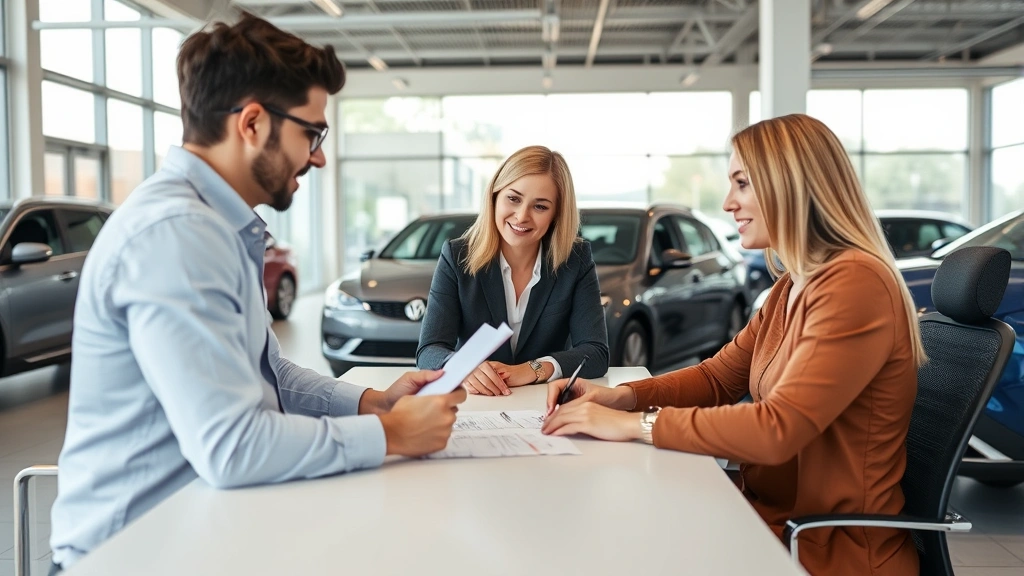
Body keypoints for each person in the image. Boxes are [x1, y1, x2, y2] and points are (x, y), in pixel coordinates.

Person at [48, 14, 465, 574]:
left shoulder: (219, 226)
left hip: (199, 532)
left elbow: (271, 374)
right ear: (251, 122)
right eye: (311, 134)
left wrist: (373, 403)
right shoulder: (178, 235)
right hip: (135, 552)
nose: (317, 156)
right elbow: (233, 448)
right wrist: (389, 434)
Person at [541, 114, 923, 576]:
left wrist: (634, 426)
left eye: (742, 184)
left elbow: (778, 428)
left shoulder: (855, 284)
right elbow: (718, 377)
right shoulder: (789, 288)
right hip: (765, 519)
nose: (728, 203)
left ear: (790, 185)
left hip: (825, 550)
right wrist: (620, 397)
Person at [416, 145, 609, 396]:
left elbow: (596, 353)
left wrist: (535, 368)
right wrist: (462, 367)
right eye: (513, 198)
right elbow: (429, 350)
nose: (521, 216)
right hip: (476, 403)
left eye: (540, 206)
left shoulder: (575, 261)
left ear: (556, 214)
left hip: (543, 402)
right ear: (495, 196)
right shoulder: (457, 256)